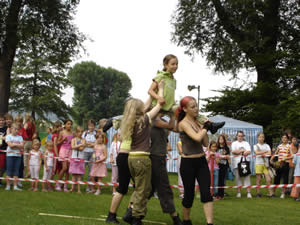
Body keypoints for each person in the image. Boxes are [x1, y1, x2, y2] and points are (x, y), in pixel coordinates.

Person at [105, 86, 158, 225]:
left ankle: (120, 213)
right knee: (136, 188)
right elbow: (146, 109)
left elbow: (144, 107)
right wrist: (154, 93)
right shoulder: (138, 120)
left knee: (131, 188)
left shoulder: (127, 119)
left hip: (125, 156)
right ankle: (124, 214)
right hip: (131, 156)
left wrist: (152, 94)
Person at [148, 54, 225, 134]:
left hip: (169, 107)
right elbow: (150, 91)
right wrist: (159, 98)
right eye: (173, 64)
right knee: (153, 123)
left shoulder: (173, 80)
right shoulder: (160, 76)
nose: (175, 66)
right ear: (165, 65)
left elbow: (170, 95)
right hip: (157, 106)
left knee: (189, 109)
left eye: (177, 64)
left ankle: (209, 124)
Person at [176, 96, 213, 225]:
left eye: (196, 105)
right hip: (188, 163)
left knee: (206, 193)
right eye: (192, 106)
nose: (196, 109)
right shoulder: (183, 124)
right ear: (185, 109)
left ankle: (210, 223)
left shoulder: (198, 123)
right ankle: (186, 221)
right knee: (189, 195)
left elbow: (205, 142)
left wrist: (205, 127)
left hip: (201, 161)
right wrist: (206, 128)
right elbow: (197, 138)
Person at [148, 114, 182, 225]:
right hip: (155, 158)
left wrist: (174, 116)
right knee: (164, 188)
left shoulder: (161, 120)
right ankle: (175, 218)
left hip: (159, 157)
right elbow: (170, 126)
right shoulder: (153, 119)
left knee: (147, 190)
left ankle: (131, 213)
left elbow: (173, 128)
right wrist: (172, 115)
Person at [231, 130, 252, 198]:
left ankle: (248, 192)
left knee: (247, 177)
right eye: (239, 136)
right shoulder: (234, 143)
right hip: (236, 163)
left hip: (245, 162)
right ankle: (239, 192)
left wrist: (240, 152)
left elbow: (248, 151)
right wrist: (242, 151)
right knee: (238, 177)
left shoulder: (246, 143)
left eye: (241, 136)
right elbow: (234, 151)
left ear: (243, 136)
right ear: (237, 136)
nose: (240, 137)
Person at [271, 133, 292, 199]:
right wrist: (271, 159)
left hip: (286, 164)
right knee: (277, 178)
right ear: (281, 139)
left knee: (285, 179)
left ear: (288, 139)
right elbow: (275, 153)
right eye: (283, 138)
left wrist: (286, 158)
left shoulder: (289, 146)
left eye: (285, 138)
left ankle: (283, 193)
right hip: (279, 164)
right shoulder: (279, 146)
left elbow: (292, 155)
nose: (284, 139)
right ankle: (273, 193)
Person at [5, 123, 24, 191]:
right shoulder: (8, 136)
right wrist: (17, 145)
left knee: (16, 171)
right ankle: (8, 186)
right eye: (15, 129)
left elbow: (22, 145)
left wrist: (14, 145)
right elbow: (10, 145)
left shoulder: (20, 137)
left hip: (18, 156)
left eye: (17, 129)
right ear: (11, 129)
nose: (16, 131)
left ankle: (15, 186)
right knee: (9, 171)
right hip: (10, 156)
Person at [254, 133, 274, 198]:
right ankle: (258, 193)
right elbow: (256, 153)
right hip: (258, 163)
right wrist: (265, 152)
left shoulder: (267, 145)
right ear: (258, 138)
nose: (261, 138)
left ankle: (271, 194)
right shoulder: (255, 145)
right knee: (258, 179)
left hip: (266, 164)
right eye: (260, 137)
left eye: (262, 137)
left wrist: (262, 152)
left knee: (269, 179)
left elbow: (269, 153)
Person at [56, 119, 73, 192]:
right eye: (68, 124)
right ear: (65, 125)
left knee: (68, 170)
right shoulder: (62, 132)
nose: (69, 125)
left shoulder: (72, 133)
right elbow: (57, 143)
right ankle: (58, 184)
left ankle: (65, 185)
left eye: (70, 124)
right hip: (63, 150)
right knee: (64, 168)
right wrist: (63, 140)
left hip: (70, 151)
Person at [82, 119, 97, 193]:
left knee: (91, 171)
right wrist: (91, 144)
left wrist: (89, 144)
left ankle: (88, 187)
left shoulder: (96, 133)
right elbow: (83, 142)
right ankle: (77, 184)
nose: (91, 127)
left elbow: (96, 144)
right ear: (88, 126)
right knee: (81, 169)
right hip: (85, 152)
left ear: (94, 126)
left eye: (92, 126)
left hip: (93, 153)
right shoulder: (84, 133)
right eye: (90, 126)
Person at [70, 126, 86, 193]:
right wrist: (79, 145)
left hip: (80, 158)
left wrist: (78, 146)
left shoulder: (83, 140)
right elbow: (72, 147)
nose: (80, 133)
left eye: (81, 132)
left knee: (79, 175)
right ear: (76, 132)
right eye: (78, 132)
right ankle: (72, 188)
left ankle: (79, 189)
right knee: (73, 174)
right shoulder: (73, 139)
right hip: (74, 157)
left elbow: (81, 149)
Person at [215, 134, 230, 200]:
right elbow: (216, 157)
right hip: (217, 166)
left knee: (222, 181)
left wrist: (222, 157)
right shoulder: (216, 148)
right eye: (219, 139)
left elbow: (228, 157)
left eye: (222, 139)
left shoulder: (227, 148)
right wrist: (222, 157)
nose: (221, 140)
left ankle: (221, 195)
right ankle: (216, 194)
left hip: (224, 166)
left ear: (224, 140)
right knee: (216, 181)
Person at [0, 114, 8, 186]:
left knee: (2, 167)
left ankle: (0, 179)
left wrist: (2, 137)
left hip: (4, 150)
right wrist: (3, 137)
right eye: (0, 120)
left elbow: (8, 137)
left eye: (2, 120)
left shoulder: (6, 128)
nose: (1, 121)